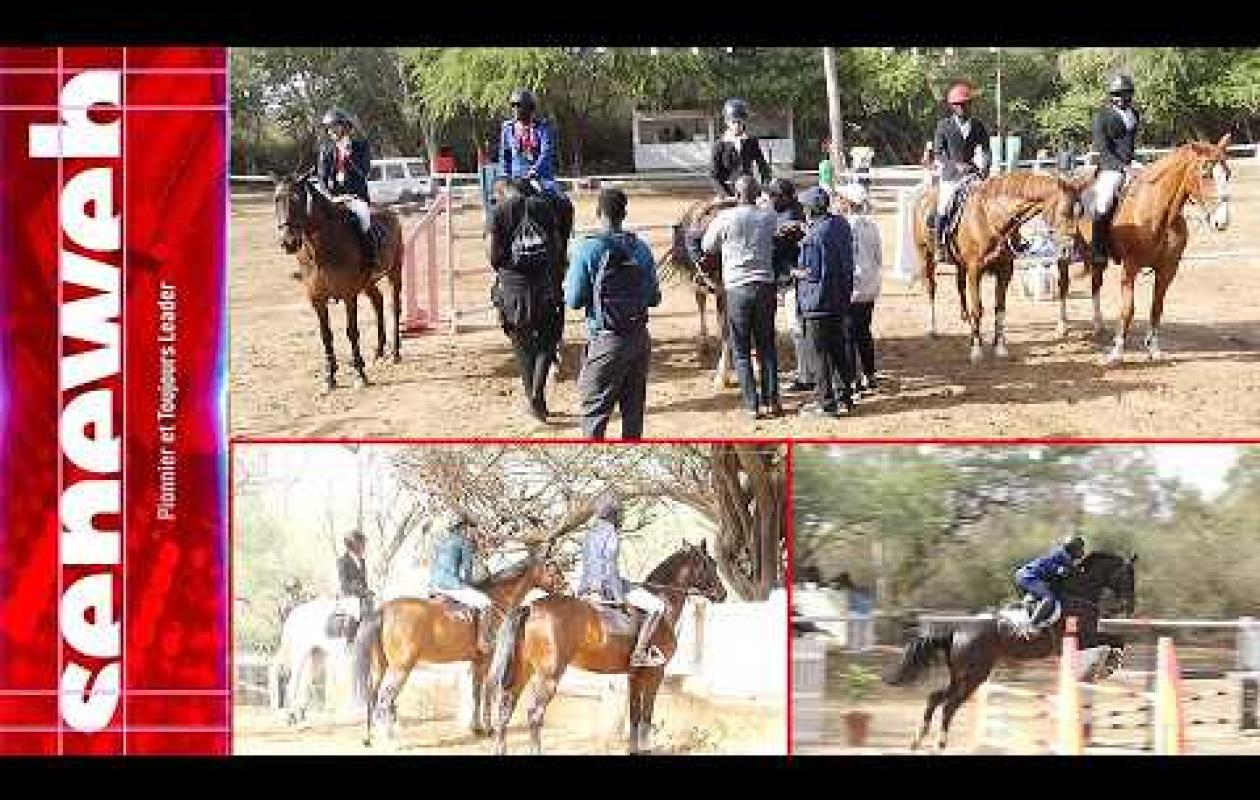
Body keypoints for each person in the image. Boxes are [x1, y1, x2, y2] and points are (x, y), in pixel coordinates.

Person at [565, 187, 661, 439]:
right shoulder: (641, 249)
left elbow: (573, 299)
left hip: (605, 340)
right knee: (633, 414)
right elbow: (653, 298)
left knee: (594, 412)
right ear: (624, 214)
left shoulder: (587, 250)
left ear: (598, 212)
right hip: (640, 339)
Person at [702, 175, 781, 419]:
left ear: (736, 195)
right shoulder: (769, 217)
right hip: (766, 286)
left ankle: (751, 405)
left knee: (742, 349)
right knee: (766, 346)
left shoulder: (724, 218)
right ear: (757, 195)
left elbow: (707, 246)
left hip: (737, 289)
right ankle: (772, 401)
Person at [489, 178, 563, 423]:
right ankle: (537, 394)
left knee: (521, 344)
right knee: (546, 341)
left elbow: (494, 257)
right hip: (545, 284)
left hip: (514, 289)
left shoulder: (499, 212)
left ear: (502, 192)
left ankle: (532, 397)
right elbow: (557, 246)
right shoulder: (543, 206)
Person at [577, 492, 667, 668]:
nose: (620, 516)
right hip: (606, 588)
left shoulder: (590, 534)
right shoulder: (611, 534)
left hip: (585, 586)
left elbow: (592, 565)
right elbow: (609, 569)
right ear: (612, 514)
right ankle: (639, 653)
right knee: (658, 607)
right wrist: (619, 596)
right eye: (618, 513)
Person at [793, 186, 855, 418]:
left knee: (818, 354)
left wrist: (793, 271)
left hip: (817, 302)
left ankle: (825, 403)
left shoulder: (813, 237)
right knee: (838, 351)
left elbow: (811, 272)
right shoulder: (841, 225)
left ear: (810, 210)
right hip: (840, 298)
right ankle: (844, 396)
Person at [500, 88, 575, 265]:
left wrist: (534, 171)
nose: (516, 109)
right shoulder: (507, 129)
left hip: (541, 177)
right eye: (513, 105)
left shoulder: (544, 127)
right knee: (498, 209)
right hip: (515, 178)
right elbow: (505, 158)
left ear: (531, 108)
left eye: (520, 106)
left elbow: (546, 152)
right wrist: (505, 179)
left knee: (565, 205)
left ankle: (562, 251)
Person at [763, 179, 813, 394]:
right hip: (786, 278)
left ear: (786, 197)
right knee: (798, 328)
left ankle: (805, 376)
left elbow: (775, 245)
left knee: (797, 329)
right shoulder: (788, 212)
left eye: (774, 196)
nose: (771, 200)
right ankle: (805, 372)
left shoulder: (792, 217)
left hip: (791, 278)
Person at [931, 83, 992, 261]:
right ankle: (939, 245)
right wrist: (954, 165)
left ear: (970, 104)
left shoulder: (978, 126)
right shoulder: (944, 125)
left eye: (965, 104)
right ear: (952, 106)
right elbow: (938, 152)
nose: (962, 107)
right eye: (958, 104)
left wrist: (985, 168)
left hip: (972, 173)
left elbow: (987, 150)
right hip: (951, 175)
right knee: (943, 206)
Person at [316, 108, 378, 267]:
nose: (331, 131)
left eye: (334, 127)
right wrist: (330, 196)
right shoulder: (326, 151)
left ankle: (370, 257)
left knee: (364, 218)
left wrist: (348, 155)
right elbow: (322, 178)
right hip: (333, 198)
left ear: (345, 128)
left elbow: (364, 172)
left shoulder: (361, 147)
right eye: (329, 128)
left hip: (355, 197)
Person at [837, 183, 883, 394]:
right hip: (870, 285)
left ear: (847, 203)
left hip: (852, 286)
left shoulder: (844, 226)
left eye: (841, 198)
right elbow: (878, 257)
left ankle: (852, 380)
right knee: (864, 332)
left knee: (847, 335)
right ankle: (870, 374)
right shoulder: (871, 225)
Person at [1090, 74, 1141, 266]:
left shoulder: (1135, 114)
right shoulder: (1101, 116)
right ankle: (1098, 248)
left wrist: (1134, 164)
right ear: (1111, 96)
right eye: (1117, 94)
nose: (1121, 98)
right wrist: (1124, 168)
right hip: (1110, 166)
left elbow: (1130, 145)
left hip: (1130, 163)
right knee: (1104, 202)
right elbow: (1103, 149)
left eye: (1125, 94)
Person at [430, 512, 495, 654]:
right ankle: (483, 641)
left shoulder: (441, 541)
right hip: (451, 585)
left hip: (434, 585)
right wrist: (469, 585)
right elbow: (466, 570)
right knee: (486, 603)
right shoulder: (464, 542)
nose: (473, 531)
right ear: (464, 527)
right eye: (472, 527)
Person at [1013, 535, 1087, 638]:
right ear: (1073, 549)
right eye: (1080, 549)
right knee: (1049, 598)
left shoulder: (1064, 556)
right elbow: (1062, 573)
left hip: (1028, 576)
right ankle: (1031, 625)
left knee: (1048, 595)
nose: (1082, 552)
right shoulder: (1063, 557)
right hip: (1029, 577)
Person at [710, 98, 772, 199]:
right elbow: (714, 176)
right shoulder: (719, 145)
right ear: (727, 122)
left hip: (750, 192)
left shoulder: (751, 142)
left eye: (740, 122)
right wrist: (724, 194)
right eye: (734, 122)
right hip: (728, 192)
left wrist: (765, 187)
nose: (737, 125)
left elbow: (763, 167)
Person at [337, 530, 374, 618]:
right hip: (350, 599)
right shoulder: (342, 561)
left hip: (364, 599)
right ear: (355, 545)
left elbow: (364, 582)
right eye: (363, 544)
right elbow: (344, 585)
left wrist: (368, 591)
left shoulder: (362, 561)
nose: (364, 547)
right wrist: (359, 590)